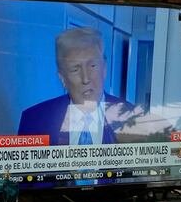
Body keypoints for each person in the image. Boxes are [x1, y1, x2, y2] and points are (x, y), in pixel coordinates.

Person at [17, 26, 172, 145]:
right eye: (75, 69)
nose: (86, 79)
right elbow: (17, 183)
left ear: (104, 68)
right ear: (62, 78)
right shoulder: (33, 120)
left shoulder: (133, 119)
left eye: (93, 66)